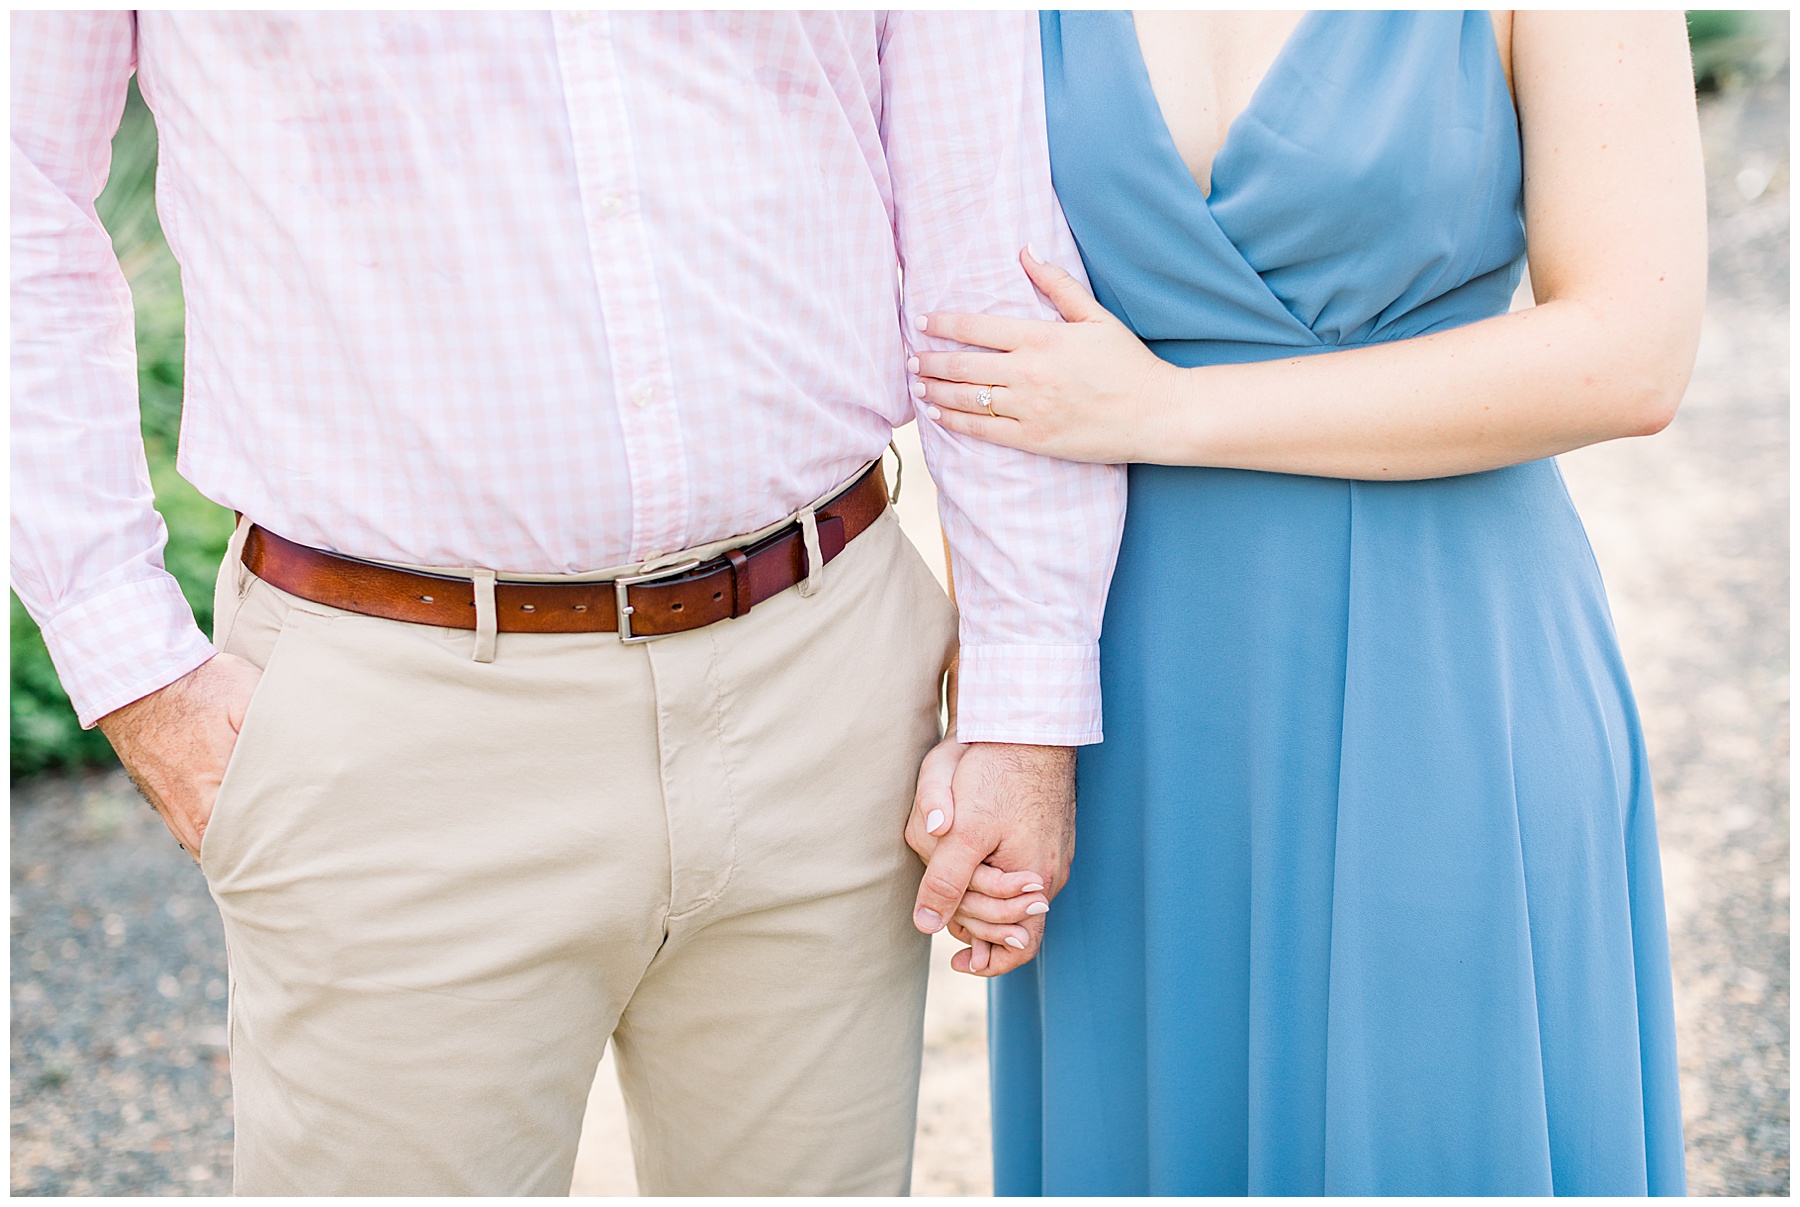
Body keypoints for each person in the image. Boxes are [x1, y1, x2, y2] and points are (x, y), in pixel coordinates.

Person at [10, 12, 1123, 1195]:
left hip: (829, 685)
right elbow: (17, 192)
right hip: (394, 724)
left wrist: (1025, 697)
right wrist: (133, 664)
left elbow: (981, 228)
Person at [907, 9, 1703, 1196]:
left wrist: (1172, 410)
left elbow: (1631, 353)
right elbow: (980, 354)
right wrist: (1002, 710)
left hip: (1441, 665)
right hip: (1127, 696)